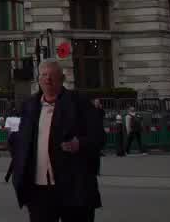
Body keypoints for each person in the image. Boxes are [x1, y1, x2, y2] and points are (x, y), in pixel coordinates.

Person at [9, 59, 103, 222]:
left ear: (62, 79)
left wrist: (79, 143)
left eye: (52, 75)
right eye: (44, 75)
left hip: (74, 188)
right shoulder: (30, 106)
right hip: (39, 190)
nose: (48, 79)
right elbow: (21, 139)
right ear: (38, 79)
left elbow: (99, 137)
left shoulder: (79, 102)